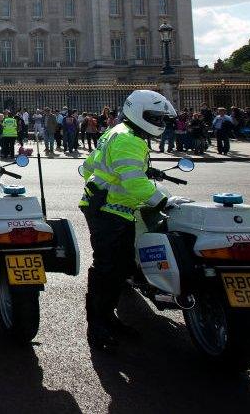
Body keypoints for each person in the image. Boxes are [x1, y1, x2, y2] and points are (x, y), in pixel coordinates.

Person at [79, 89, 181, 350]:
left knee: (120, 267)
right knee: (107, 267)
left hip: (110, 207)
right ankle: (97, 326)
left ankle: (107, 317)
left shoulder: (118, 131)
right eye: (155, 118)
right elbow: (134, 182)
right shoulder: (130, 139)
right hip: (108, 211)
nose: (159, 123)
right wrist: (161, 200)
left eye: (160, 119)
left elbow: (90, 165)